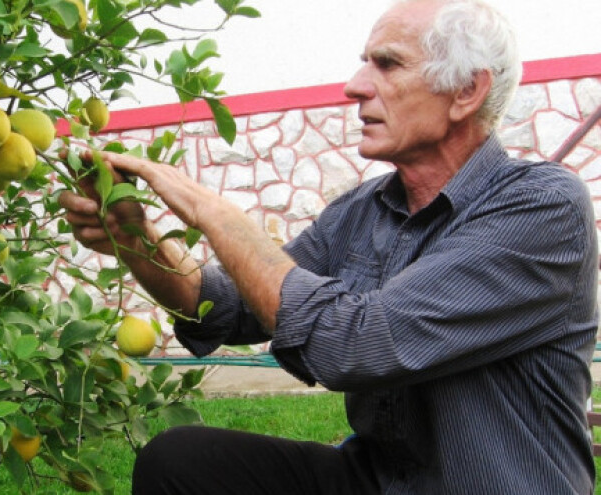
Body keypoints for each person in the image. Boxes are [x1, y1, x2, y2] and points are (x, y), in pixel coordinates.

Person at [59, 0, 599, 493]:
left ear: (466, 91)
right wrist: (137, 239)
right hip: (378, 481)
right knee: (178, 461)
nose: (355, 85)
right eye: (364, 62)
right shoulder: (364, 209)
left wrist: (213, 213)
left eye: (387, 64)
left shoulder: (543, 209)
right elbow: (222, 307)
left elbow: (358, 346)